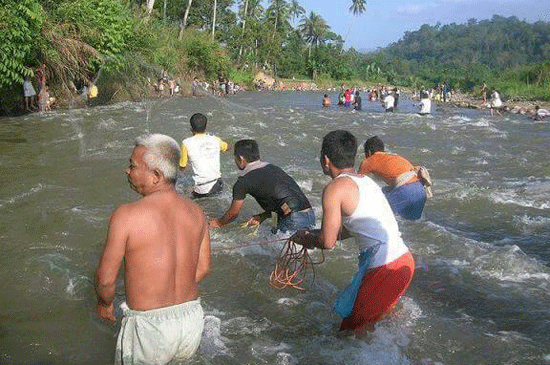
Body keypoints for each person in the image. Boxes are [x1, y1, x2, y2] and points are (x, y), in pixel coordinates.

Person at [95, 134, 211, 365]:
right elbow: (203, 267)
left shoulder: (126, 215)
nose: (127, 171)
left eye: (133, 166)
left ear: (156, 175)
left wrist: (104, 303)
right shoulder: (197, 212)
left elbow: (106, 280)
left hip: (149, 327)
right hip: (191, 319)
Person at [290, 130, 414, 334]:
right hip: (403, 261)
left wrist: (306, 239)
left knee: (350, 335)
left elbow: (328, 242)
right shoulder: (366, 181)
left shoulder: (334, 188)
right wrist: (314, 233)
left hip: (384, 269)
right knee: (378, 330)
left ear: (326, 160)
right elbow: (348, 230)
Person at [209, 139, 315, 233]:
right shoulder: (273, 168)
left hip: (292, 219)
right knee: (278, 240)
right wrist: (262, 216)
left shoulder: (243, 181)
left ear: (241, 158)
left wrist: (218, 223)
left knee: (284, 253)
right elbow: (280, 199)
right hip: (309, 214)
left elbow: (233, 213)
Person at [358, 136, 427, 221]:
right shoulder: (395, 158)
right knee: (413, 224)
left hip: (405, 190)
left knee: (383, 219)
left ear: (368, 152)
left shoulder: (369, 161)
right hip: (420, 190)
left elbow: (356, 182)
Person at [180, 113, 229, 198]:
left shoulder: (185, 143)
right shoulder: (215, 140)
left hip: (201, 189)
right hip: (217, 185)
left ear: (191, 129)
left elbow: (182, 166)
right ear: (206, 127)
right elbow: (227, 147)